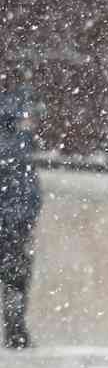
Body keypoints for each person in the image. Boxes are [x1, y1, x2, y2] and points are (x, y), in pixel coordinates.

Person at [0, 90, 41, 350]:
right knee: (15, 280)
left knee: (15, 278)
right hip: (13, 227)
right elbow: (29, 193)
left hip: (12, 223)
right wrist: (26, 220)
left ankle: (16, 331)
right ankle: (15, 332)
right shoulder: (19, 146)